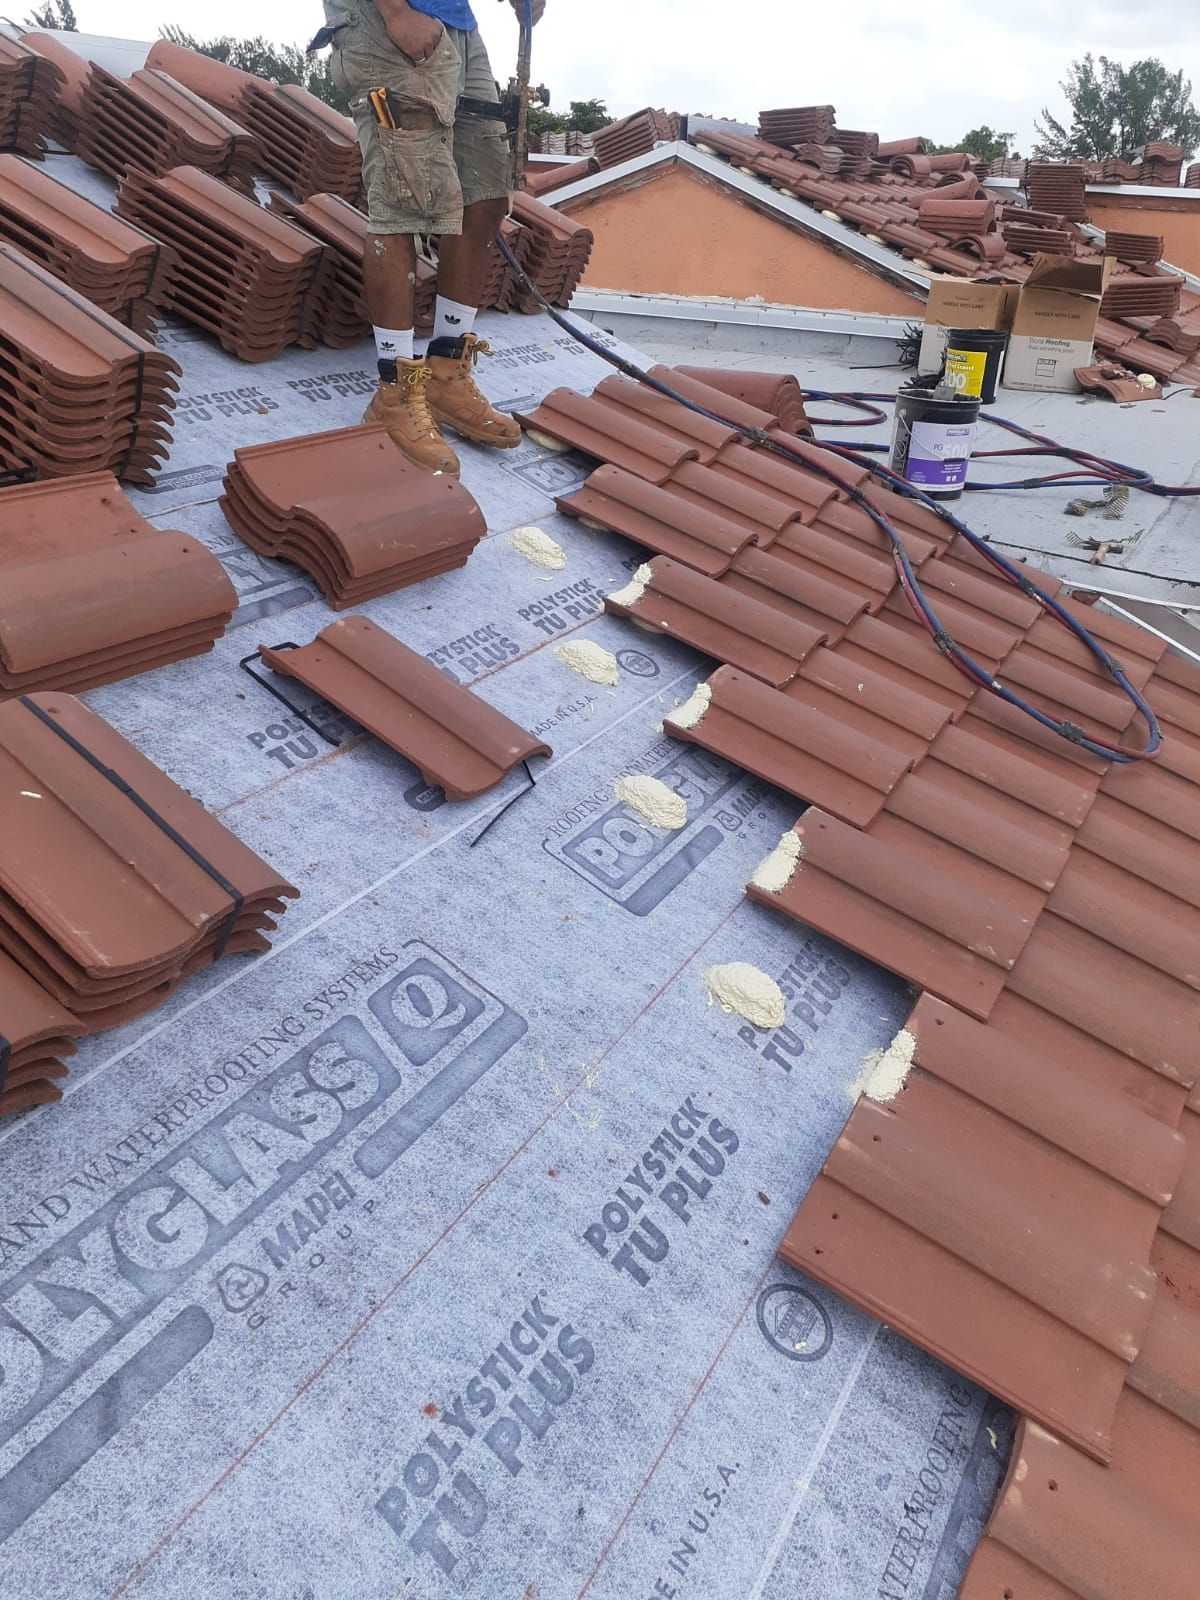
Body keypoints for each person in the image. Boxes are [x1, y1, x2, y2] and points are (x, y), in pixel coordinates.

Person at [318, 0, 547, 474]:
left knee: (485, 190)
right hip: (387, 21)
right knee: (405, 196)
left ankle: (444, 371)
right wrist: (395, 11)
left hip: (457, 23)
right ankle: (395, 391)